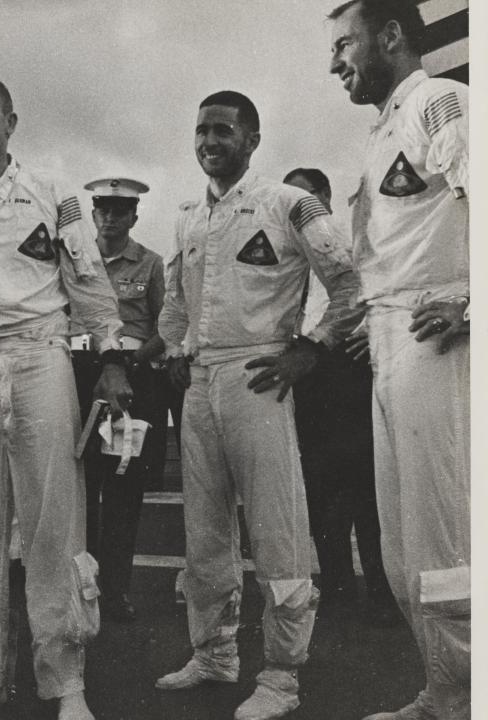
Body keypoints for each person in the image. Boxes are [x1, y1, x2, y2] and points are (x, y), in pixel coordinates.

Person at [155, 90, 362, 720]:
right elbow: (175, 302)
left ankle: (282, 675)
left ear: (252, 138)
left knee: (278, 531)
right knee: (206, 533)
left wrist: (312, 348)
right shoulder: (189, 215)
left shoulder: (287, 203)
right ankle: (215, 652)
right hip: (201, 382)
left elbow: (349, 282)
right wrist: (171, 351)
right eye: (200, 132)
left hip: (261, 376)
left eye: (223, 130)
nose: (209, 142)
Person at [0, 72, 132, 720]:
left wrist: (110, 359)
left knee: (53, 523)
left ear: (10, 122)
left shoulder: (56, 194)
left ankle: (66, 682)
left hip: (41, 353)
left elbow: (92, 283)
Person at [328, 2, 469, 718]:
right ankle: (443, 689)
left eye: (344, 44)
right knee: (404, 547)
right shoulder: (384, 129)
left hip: (440, 340)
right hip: (391, 342)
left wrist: (470, 304)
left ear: (390, 37)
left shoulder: (442, 103)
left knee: (448, 541)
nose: (334, 63)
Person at [283, 167, 396, 620]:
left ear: (326, 200)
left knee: (365, 489)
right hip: (305, 377)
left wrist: (370, 329)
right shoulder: (288, 259)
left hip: (348, 371)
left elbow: (383, 295)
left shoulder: (355, 247)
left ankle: (384, 591)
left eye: (308, 197)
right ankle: (337, 587)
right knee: (317, 488)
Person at [71, 177, 165, 622]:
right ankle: (82, 586)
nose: (110, 217)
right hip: (80, 374)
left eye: (120, 210)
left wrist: (129, 366)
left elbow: (167, 326)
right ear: (93, 214)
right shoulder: (74, 259)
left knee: (123, 488)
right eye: (103, 209)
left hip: (132, 380)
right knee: (80, 489)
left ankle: (117, 591)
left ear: (134, 216)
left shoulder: (150, 264)